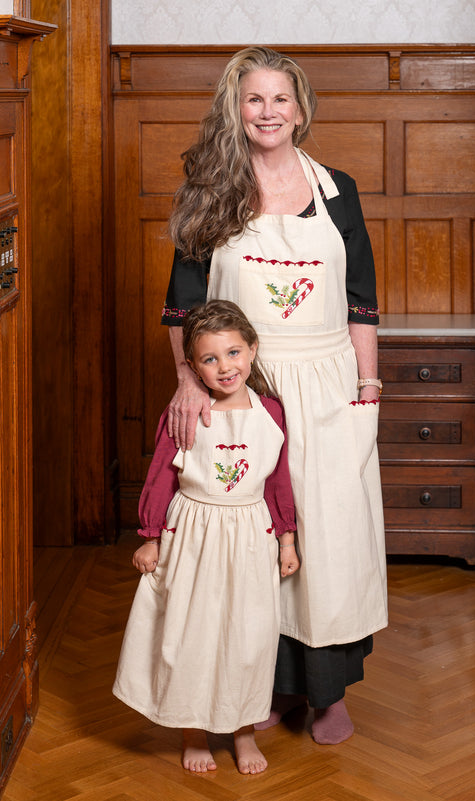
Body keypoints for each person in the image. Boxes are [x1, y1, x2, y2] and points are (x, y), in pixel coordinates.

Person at [161, 45, 388, 746]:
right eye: (253, 99)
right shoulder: (210, 190)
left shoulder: (338, 190)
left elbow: (361, 305)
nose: (268, 112)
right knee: (251, 541)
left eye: (279, 99)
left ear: (300, 107)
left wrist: (369, 390)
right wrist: (187, 384)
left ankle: (323, 695)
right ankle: (262, 684)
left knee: (329, 540)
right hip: (241, 388)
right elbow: (180, 308)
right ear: (236, 107)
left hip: (327, 386)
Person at [113, 300, 299, 775]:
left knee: (248, 637)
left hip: (249, 537)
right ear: (192, 366)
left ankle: (242, 731)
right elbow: (160, 478)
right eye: (210, 359)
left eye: (233, 353)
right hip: (193, 534)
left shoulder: (272, 412)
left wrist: (287, 540)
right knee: (190, 634)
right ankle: (193, 730)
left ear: (252, 351)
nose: (225, 367)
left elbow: (278, 482)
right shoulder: (187, 412)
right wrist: (152, 536)